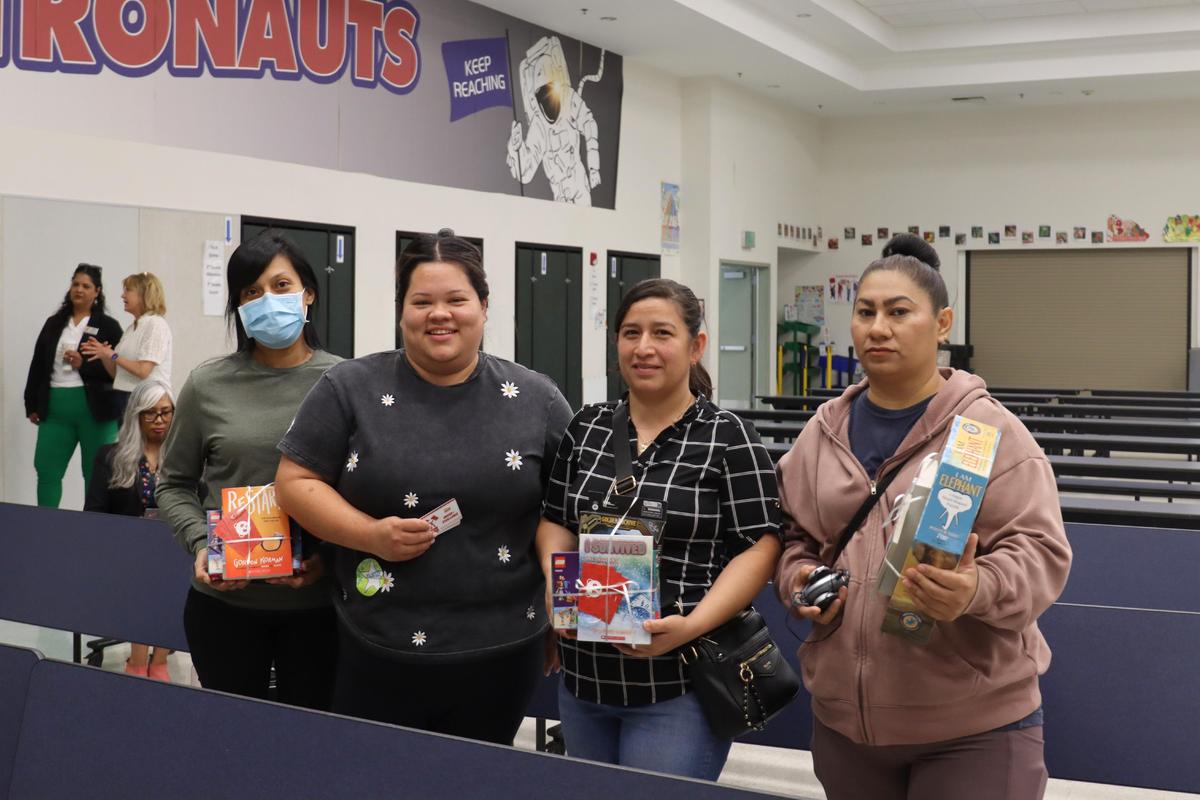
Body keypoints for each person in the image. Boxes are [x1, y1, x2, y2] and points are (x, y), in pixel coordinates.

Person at [774, 234, 1072, 800]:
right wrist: (801, 580)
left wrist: (976, 588)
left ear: (942, 324)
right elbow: (795, 538)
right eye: (866, 312)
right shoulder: (823, 432)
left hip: (972, 729)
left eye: (898, 312)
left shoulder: (990, 431)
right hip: (847, 726)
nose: (878, 328)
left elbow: (1040, 553)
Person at [274, 229, 573, 745]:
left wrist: (562, 606)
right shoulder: (349, 388)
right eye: (422, 302)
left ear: (483, 306)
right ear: (401, 311)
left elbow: (568, 508)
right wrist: (370, 535)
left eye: (457, 299)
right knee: (375, 775)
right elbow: (294, 482)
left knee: (478, 777)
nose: (440, 314)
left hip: (504, 649)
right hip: (374, 644)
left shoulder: (537, 399)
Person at [534, 278, 781, 781]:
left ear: (696, 346)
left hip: (679, 684)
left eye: (662, 333)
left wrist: (693, 624)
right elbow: (556, 521)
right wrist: (556, 582)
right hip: (584, 680)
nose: (643, 347)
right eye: (631, 333)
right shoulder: (587, 427)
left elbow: (759, 545)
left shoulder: (728, 437)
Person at [156, 231, 339, 709]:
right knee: (233, 740)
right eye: (251, 292)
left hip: (321, 611)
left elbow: (364, 492)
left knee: (314, 741)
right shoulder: (207, 384)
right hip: (225, 609)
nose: (268, 300)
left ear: (308, 294)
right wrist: (202, 544)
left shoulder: (344, 384)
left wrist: (327, 559)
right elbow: (172, 483)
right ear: (238, 306)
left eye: (281, 286)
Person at [85, 378, 176, 680]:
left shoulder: (185, 457)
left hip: (175, 547)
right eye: (150, 413)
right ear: (136, 415)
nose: (159, 420)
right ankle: (139, 662)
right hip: (126, 551)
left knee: (172, 573)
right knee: (145, 577)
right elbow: (94, 513)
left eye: (166, 412)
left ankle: (158, 661)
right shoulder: (109, 456)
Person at [24, 264, 124, 507]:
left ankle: (93, 526)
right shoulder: (54, 323)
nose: (79, 289)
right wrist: (31, 404)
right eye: (75, 284)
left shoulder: (109, 326)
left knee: (95, 473)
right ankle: (45, 522)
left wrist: (84, 365)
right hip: (56, 410)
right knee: (46, 468)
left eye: (86, 286)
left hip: (96, 412)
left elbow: (119, 371)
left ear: (97, 291)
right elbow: (38, 364)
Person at [81, 271, 172, 419]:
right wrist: (104, 355)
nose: (122, 296)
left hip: (148, 402)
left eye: (128, 290)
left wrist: (113, 355)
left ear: (144, 295)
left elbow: (143, 371)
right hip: (125, 399)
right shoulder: (132, 328)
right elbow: (117, 374)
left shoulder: (155, 324)